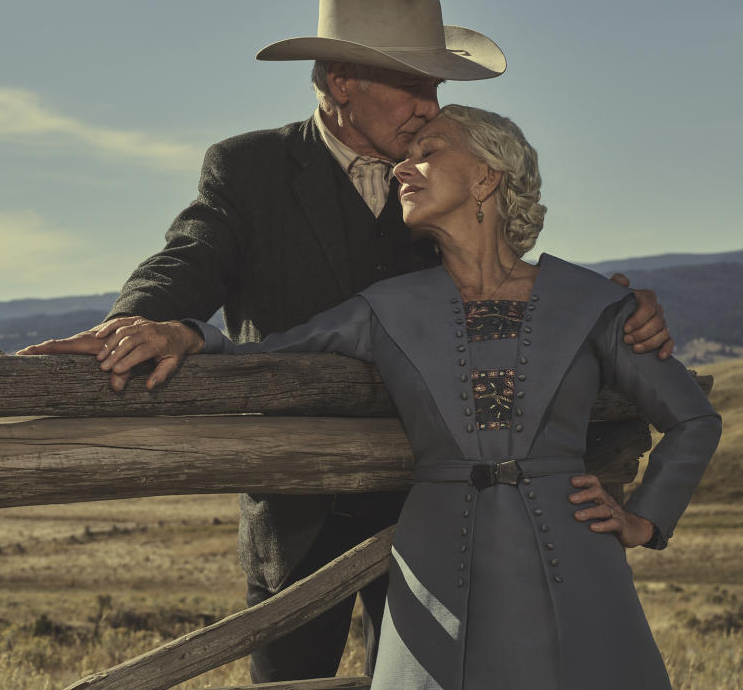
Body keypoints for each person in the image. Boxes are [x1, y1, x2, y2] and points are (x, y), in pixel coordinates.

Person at [18, 0, 672, 682]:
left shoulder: (440, 173)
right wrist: (142, 319)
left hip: (440, 514)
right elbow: (191, 255)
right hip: (298, 512)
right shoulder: (251, 169)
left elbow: (507, 277)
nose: (431, 104)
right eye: (413, 83)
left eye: (436, 85)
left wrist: (617, 302)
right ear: (341, 83)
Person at [76, 105, 720, 689]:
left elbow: (692, 419)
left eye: (429, 151)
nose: (403, 169)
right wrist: (184, 331)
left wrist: (645, 519)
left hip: (576, 555)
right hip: (436, 559)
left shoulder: (595, 302)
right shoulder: (384, 309)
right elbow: (262, 356)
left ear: (487, 178)